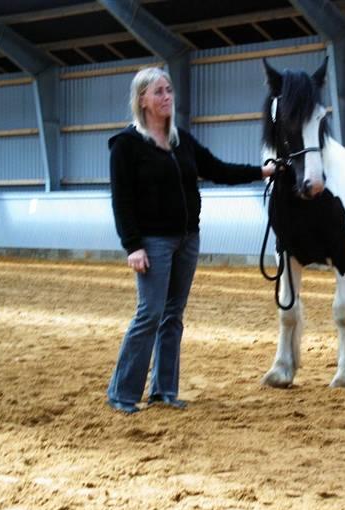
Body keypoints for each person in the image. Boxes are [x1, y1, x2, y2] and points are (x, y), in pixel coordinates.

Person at [106, 67, 274, 414]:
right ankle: (122, 392)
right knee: (149, 313)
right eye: (158, 92)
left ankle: (164, 390)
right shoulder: (127, 145)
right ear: (142, 100)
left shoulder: (182, 141)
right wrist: (132, 245)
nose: (167, 97)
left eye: (169, 90)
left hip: (187, 239)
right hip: (153, 242)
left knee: (173, 315)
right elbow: (121, 200)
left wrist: (262, 172)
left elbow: (218, 169)